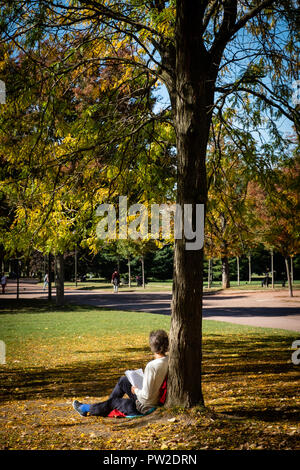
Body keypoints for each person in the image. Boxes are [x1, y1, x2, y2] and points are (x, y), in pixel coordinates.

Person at [73, 329, 169, 418]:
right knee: (124, 380)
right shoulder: (169, 360)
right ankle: (107, 406)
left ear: (152, 346)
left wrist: (136, 390)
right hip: (152, 398)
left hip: (144, 406)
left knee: (114, 402)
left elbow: (146, 396)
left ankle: (84, 408)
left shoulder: (152, 366)